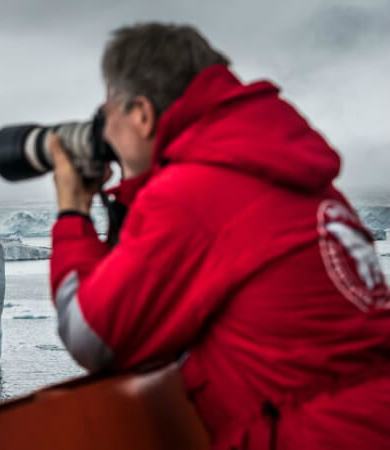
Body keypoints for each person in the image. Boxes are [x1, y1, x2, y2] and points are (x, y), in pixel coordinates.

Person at [48, 22, 390, 449]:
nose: (105, 132)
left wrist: (73, 211)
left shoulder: (192, 194)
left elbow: (90, 335)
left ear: (141, 114)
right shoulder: (290, 172)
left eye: (108, 112)